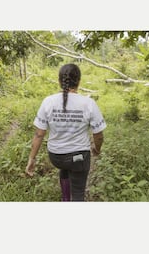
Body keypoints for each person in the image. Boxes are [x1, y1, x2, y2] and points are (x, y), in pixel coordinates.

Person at [25, 63, 106, 201]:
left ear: (59, 81)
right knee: (78, 192)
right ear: (79, 81)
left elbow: (39, 134)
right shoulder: (88, 103)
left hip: (56, 157)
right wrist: (96, 149)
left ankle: (66, 198)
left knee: (65, 167)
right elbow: (98, 136)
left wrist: (31, 158)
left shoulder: (48, 102)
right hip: (79, 158)